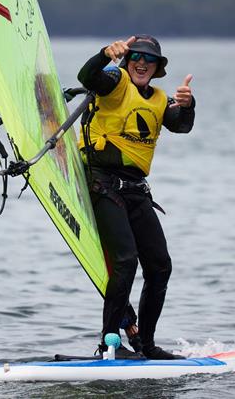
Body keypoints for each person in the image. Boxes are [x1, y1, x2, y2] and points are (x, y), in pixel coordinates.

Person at [77, 34, 195, 360]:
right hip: (101, 183)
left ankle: (147, 344)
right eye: (136, 58)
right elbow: (87, 77)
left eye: (149, 59)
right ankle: (108, 344)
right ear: (128, 62)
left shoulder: (158, 99)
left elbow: (181, 125)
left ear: (157, 68)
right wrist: (104, 54)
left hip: (136, 191)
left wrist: (188, 105)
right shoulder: (115, 82)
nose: (142, 63)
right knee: (126, 261)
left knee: (160, 266)